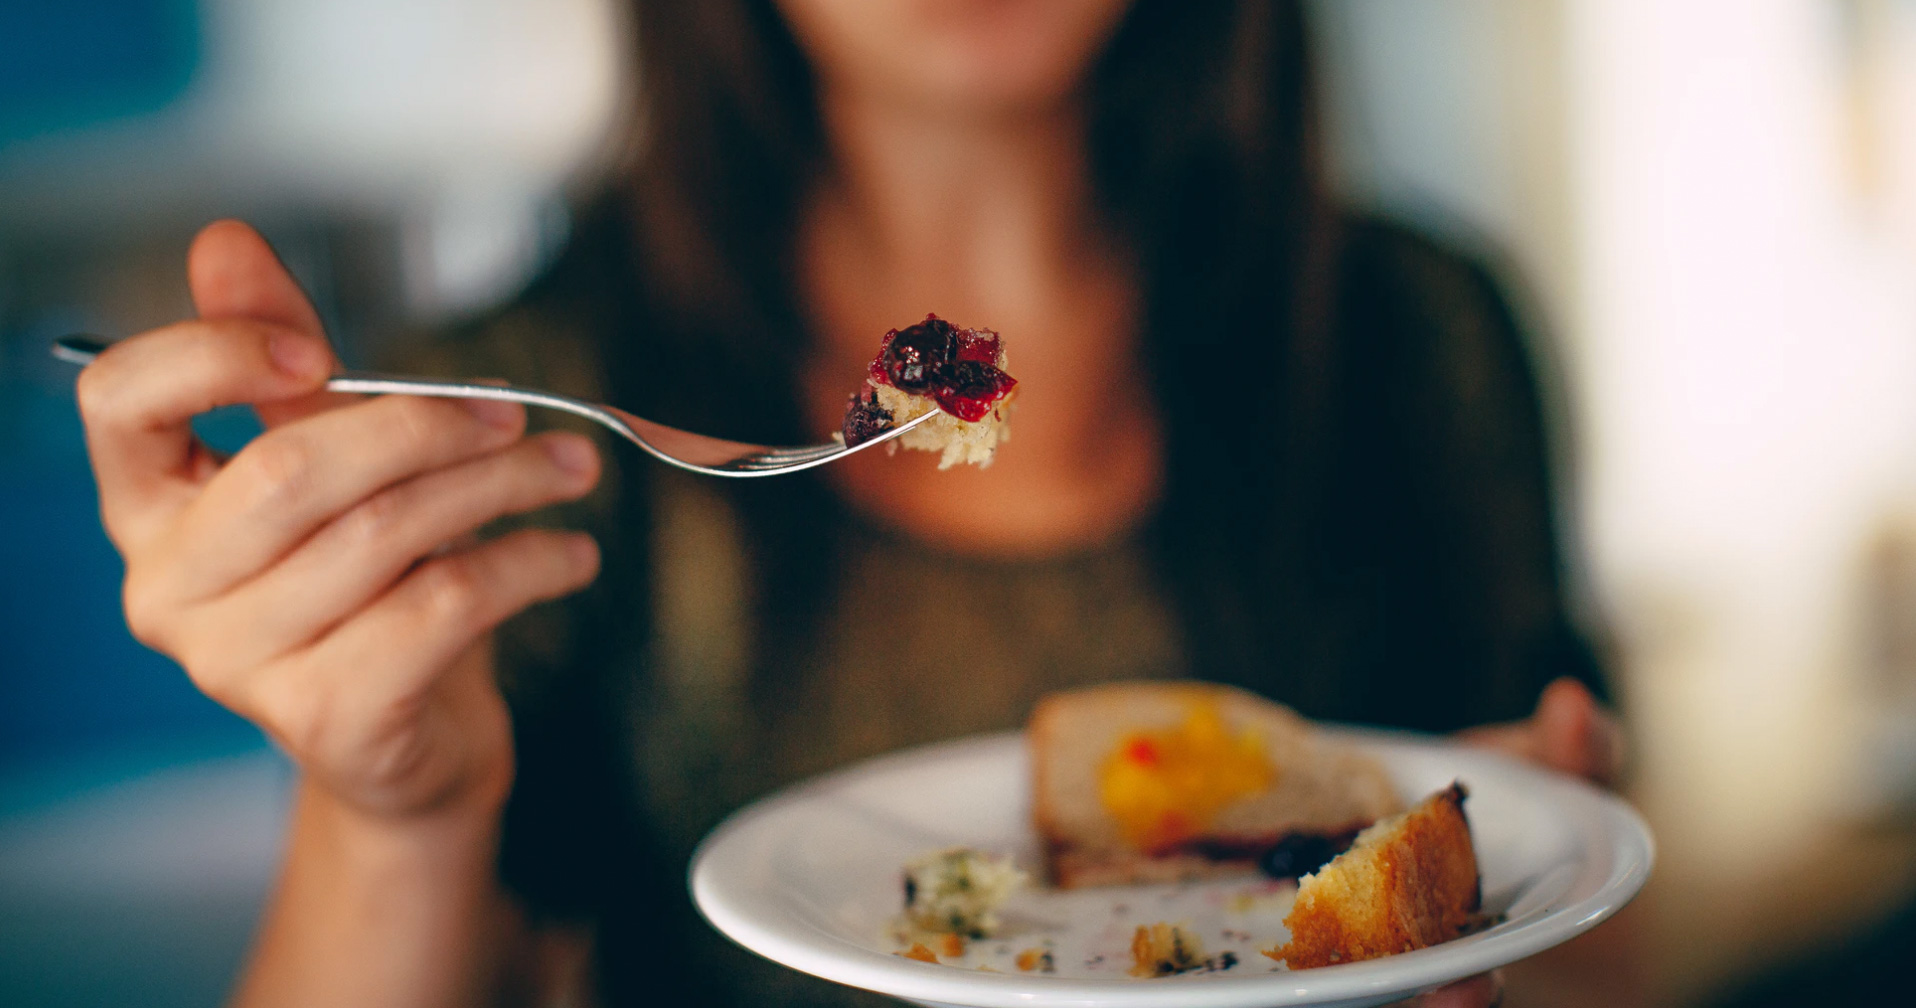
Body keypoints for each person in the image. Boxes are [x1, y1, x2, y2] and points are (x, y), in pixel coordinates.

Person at [69, 1, 1626, 1005]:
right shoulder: (497, 415)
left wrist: (1502, 910)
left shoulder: (1423, 332)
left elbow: (1587, 929)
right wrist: (395, 812)